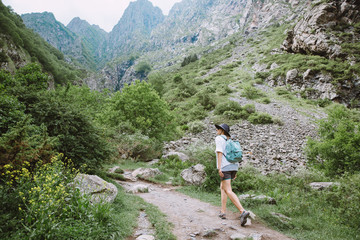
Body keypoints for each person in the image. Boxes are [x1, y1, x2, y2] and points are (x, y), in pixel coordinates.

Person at [215, 123, 250, 226]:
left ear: (222, 130)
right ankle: (223, 211)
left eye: (218, 129)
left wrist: (219, 167)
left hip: (225, 167)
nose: (216, 130)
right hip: (233, 166)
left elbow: (219, 153)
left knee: (228, 190)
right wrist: (235, 171)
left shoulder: (219, 139)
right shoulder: (230, 140)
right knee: (223, 187)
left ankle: (242, 211)